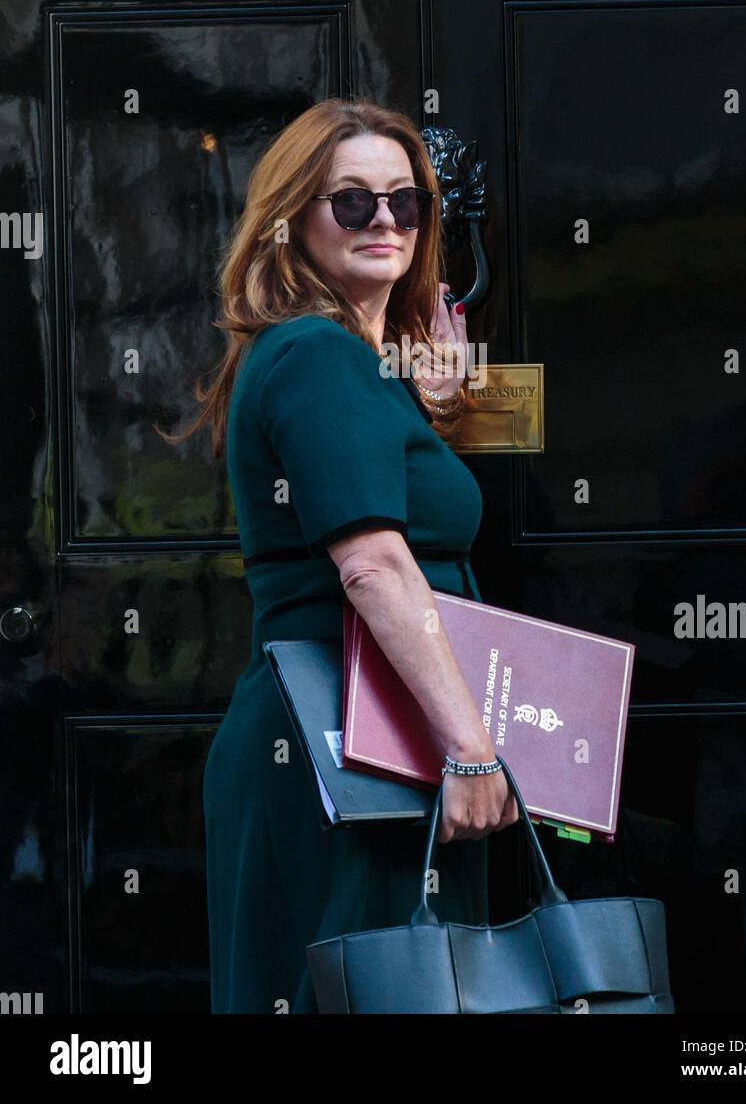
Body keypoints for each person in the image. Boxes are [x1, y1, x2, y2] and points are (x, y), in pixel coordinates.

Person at [160, 96, 517, 1013]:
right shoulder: (318, 355)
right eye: (351, 201)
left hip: (368, 739)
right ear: (290, 221)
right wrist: (471, 751)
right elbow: (372, 566)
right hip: (343, 747)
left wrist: (432, 403)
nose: (386, 220)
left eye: (407, 202)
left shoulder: (348, 363)